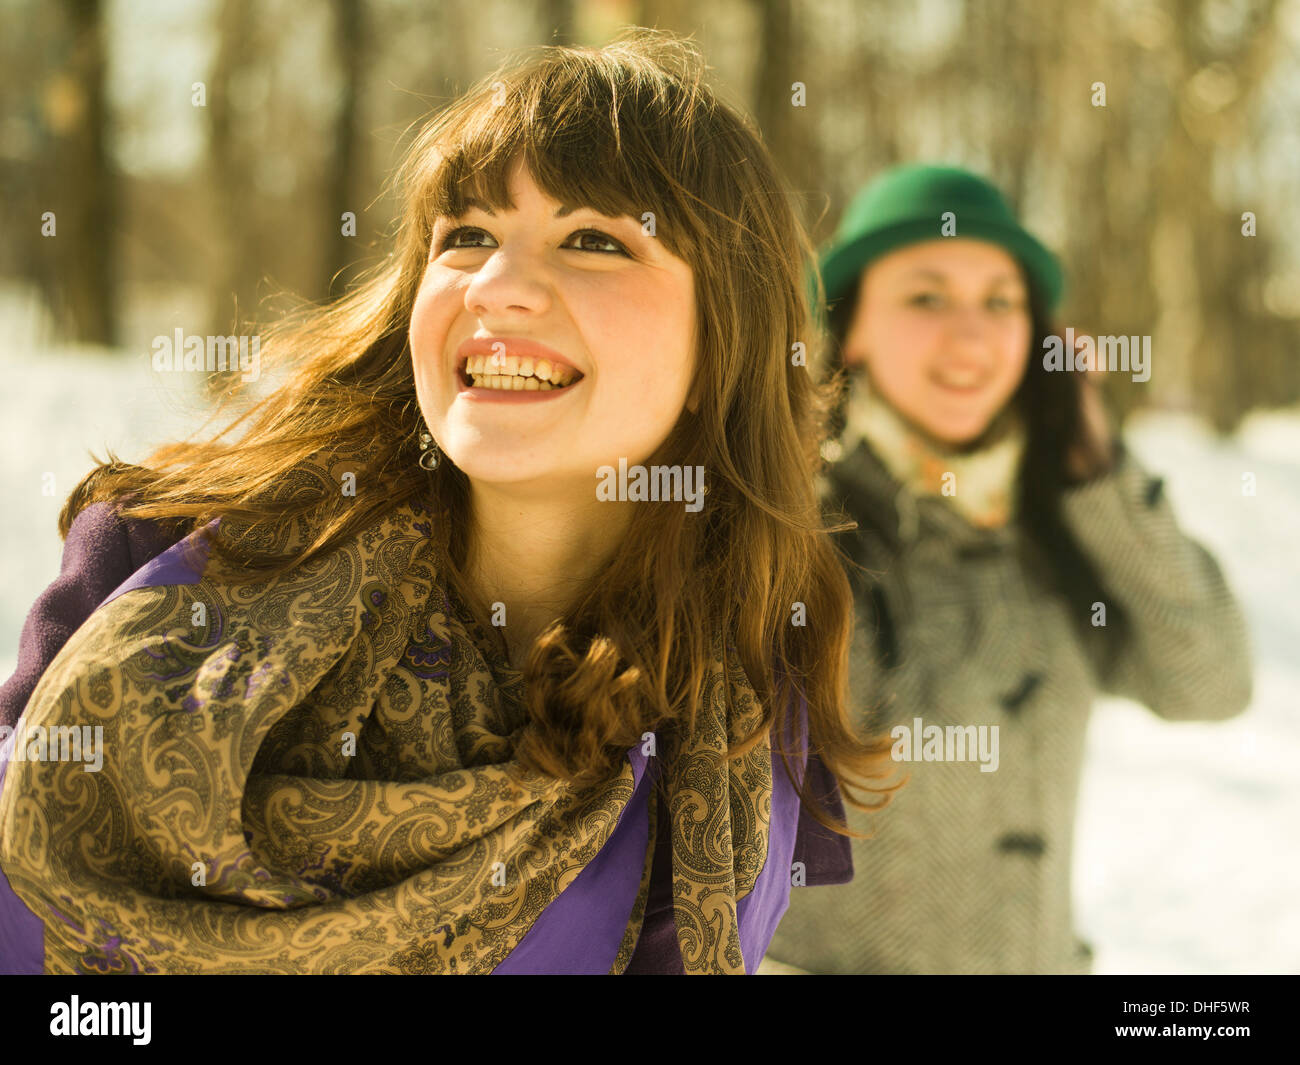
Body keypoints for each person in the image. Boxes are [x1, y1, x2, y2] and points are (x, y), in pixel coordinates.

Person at [0, 30, 899, 975]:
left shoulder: (743, 701)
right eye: (466, 236)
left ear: (726, 338)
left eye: (594, 240)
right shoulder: (158, 560)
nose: (499, 288)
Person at [761, 163, 1254, 975]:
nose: (973, 334)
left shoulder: (1064, 529)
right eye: (926, 297)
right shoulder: (795, 526)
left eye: (1001, 300)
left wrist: (1102, 476)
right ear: (851, 330)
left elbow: (1211, 681)